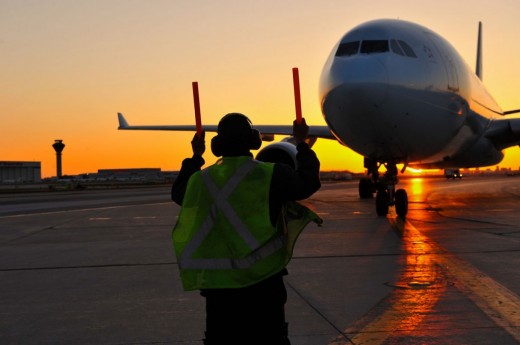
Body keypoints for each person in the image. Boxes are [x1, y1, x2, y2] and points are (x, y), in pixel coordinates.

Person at [171, 113, 321, 345]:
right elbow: (308, 182)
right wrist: (301, 143)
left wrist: (196, 156)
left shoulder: (199, 182)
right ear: (253, 141)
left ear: (216, 145)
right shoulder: (271, 174)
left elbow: (179, 192)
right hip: (263, 283)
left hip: (219, 289)